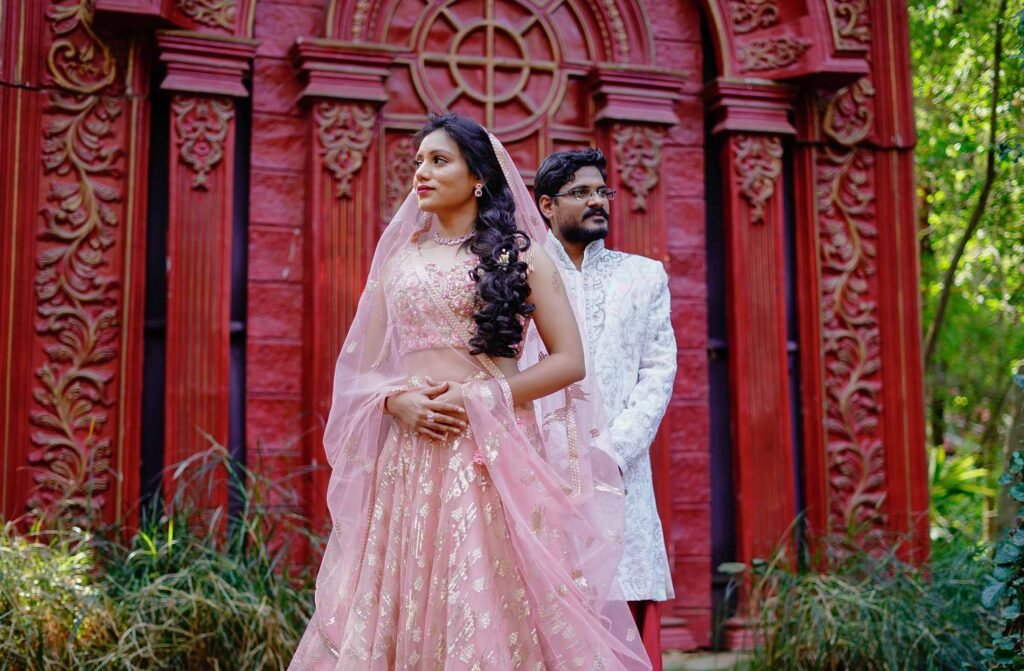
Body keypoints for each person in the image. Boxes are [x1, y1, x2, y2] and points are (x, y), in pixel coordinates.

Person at [288, 113, 651, 670]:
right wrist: (392, 400)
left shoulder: (519, 257)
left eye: (438, 161)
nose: (421, 174)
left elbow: (571, 362)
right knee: (403, 600)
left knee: (482, 594)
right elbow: (360, 366)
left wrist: (482, 398)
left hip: (491, 456)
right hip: (408, 462)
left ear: (478, 176)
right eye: (417, 163)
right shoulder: (400, 260)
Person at [534, 148, 677, 671]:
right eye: (581, 193)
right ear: (547, 205)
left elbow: (658, 371)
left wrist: (613, 449)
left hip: (622, 472)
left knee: (624, 604)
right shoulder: (521, 271)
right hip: (536, 472)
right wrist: (544, 454)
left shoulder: (643, 276)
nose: (598, 201)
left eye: (602, 192)